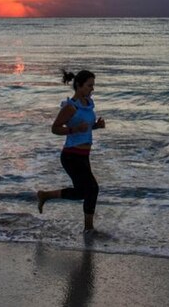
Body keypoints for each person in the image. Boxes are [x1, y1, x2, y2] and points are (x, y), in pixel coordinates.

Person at [36, 69, 105, 231]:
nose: (92, 89)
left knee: (83, 192)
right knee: (92, 189)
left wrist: (96, 126)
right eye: (89, 86)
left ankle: (45, 195)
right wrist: (74, 130)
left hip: (84, 156)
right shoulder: (70, 107)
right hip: (71, 156)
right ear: (79, 86)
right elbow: (55, 128)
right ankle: (89, 229)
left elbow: (85, 128)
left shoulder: (88, 103)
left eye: (93, 86)